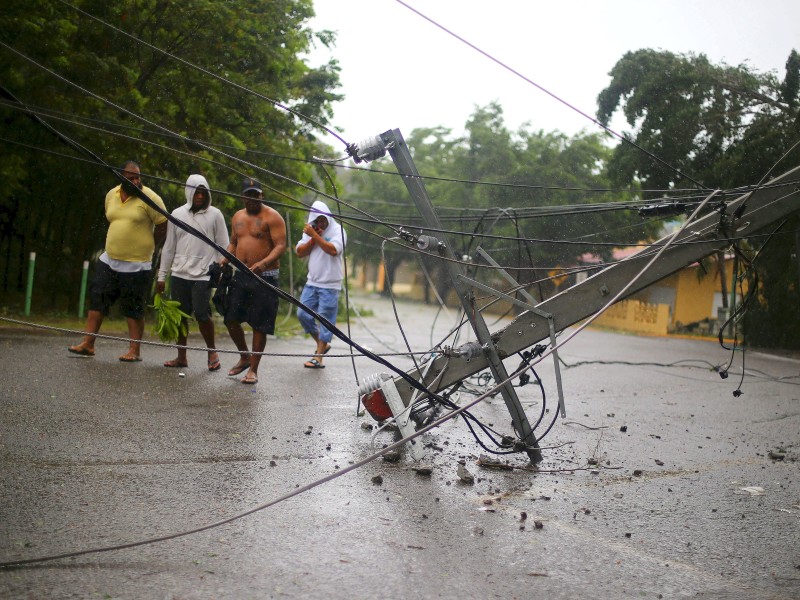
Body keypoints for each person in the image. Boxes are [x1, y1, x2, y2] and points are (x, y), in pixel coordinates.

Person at [69, 161, 167, 361]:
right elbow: (113, 219)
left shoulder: (150, 197)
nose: (136, 180)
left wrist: (150, 245)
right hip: (110, 259)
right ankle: (88, 343)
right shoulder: (111, 195)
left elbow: (163, 225)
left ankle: (134, 350)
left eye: (138, 176)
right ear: (121, 178)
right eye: (131, 178)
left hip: (137, 263)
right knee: (98, 298)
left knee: (133, 306)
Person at [156, 174, 229, 371]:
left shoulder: (215, 215)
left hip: (204, 274)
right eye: (196, 192)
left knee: (201, 312)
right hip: (179, 273)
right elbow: (169, 247)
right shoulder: (177, 214)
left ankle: (212, 352)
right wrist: (162, 275)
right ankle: (181, 357)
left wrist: (220, 268)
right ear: (189, 192)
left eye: (203, 192)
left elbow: (224, 246)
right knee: (180, 315)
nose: (200, 196)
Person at [220, 177, 287, 384]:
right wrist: (225, 257)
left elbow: (280, 246)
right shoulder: (237, 216)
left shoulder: (272, 217)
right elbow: (233, 242)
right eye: (248, 196)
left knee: (260, 324)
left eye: (255, 196)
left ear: (261, 196)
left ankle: (253, 370)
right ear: (243, 197)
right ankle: (244, 356)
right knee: (230, 318)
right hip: (241, 275)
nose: (252, 200)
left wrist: (264, 264)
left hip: (265, 277)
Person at [295, 200, 347, 369]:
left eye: (322, 220)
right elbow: (299, 252)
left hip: (330, 285)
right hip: (312, 281)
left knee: (325, 320)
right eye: (316, 221)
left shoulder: (339, 231)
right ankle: (321, 344)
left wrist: (316, 235)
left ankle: (318, 357)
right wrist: (312, 237)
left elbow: (333, 250)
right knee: (303, 314)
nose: (320, 224)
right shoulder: (311, 231)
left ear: (328, 218)